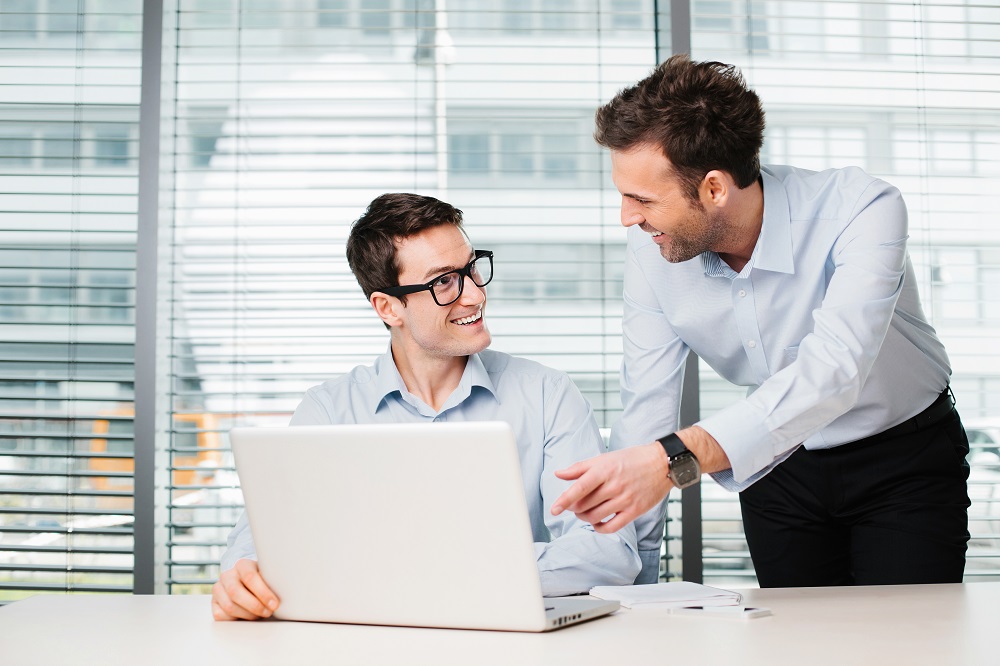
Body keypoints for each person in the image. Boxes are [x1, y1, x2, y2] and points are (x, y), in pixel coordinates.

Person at [551, 54, 971, 587]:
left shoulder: (862, 209)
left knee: (907, 641)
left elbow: (834, 372)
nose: (627, 218)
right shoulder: (650, 248)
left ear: (714, 188)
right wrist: (634, 588)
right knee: (796, 643)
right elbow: (648, 412)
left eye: (641, 199)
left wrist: (671, 459)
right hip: (775, 464)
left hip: (902, 457)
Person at [212, 193, 641, 620]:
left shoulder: (548, 396)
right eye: (443, 282)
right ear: (389, 307)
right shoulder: (328, 411)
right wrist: (241, 577)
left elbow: (609, 550)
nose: (474, 295)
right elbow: (257, 545)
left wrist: (441, 570)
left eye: (471, 269)